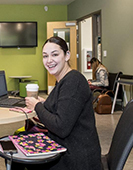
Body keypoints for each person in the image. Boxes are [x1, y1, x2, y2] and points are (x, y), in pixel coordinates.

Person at [21, 36, 102, 170]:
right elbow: (66, 107)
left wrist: (37, 106)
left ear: (67, 55)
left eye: (55, 54)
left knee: (20, 158)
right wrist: (45, 103)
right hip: (67, 147)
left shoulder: (73, 82)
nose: (49, 60)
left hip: (75, 158)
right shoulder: (64, 80)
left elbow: (61, 127)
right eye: (45, 56)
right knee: (21, 140)